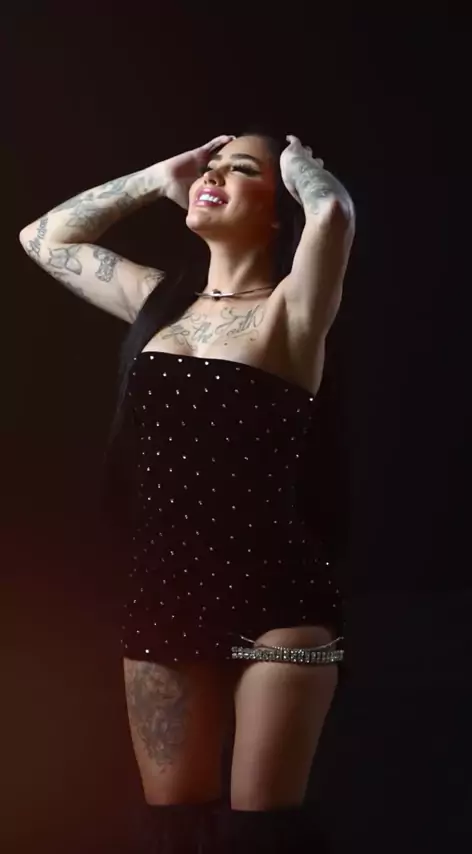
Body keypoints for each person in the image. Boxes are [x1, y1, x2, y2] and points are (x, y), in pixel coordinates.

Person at [19, 132, 355, 853]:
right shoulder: (156, 302)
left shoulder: (292, 309)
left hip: (279, 598)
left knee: (262, 834)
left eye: (241, 171)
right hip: (167, 593)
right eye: (211, 167)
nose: (214, 177)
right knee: (175, 831)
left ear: (277, 209)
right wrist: (155, 177)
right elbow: (44, 237)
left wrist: (300, 167)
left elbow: (331, 215)